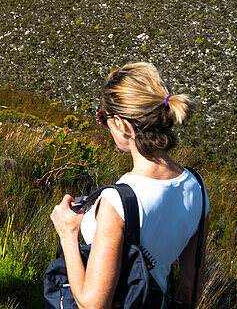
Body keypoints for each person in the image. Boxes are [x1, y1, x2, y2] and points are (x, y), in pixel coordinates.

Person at [49, 62, 209, 309]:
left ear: (122, 125)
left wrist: (68, 234)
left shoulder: (118, 201)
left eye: (105, 119)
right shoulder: (197, 187)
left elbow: (92, 305)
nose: (105, 126)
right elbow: (192, 283)